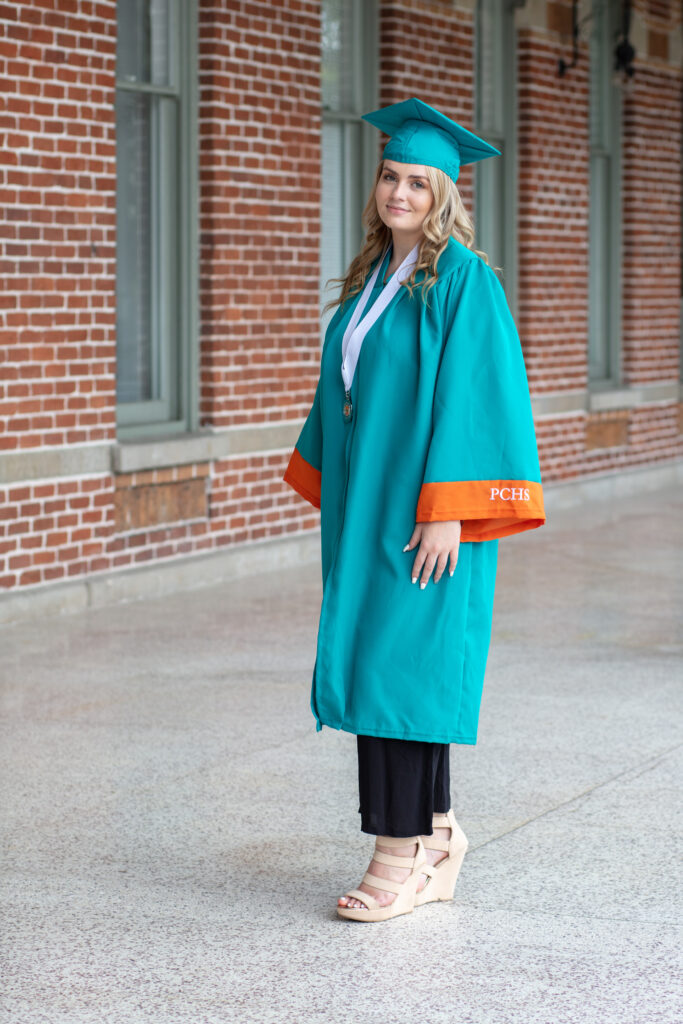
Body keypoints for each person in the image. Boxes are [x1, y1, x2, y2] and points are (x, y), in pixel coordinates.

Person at [282, 97, 545, 922]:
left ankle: (394, 861)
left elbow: (480, 399)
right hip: (373, 505)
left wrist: (448, 513)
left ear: (445, 194)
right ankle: (434, 836)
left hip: (423, 512)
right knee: (385, 666)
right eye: (391, 177)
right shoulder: (371, 278)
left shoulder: (465, 281)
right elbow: (349, 391)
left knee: (403, 672)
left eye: (418, 182)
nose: (399, 193)